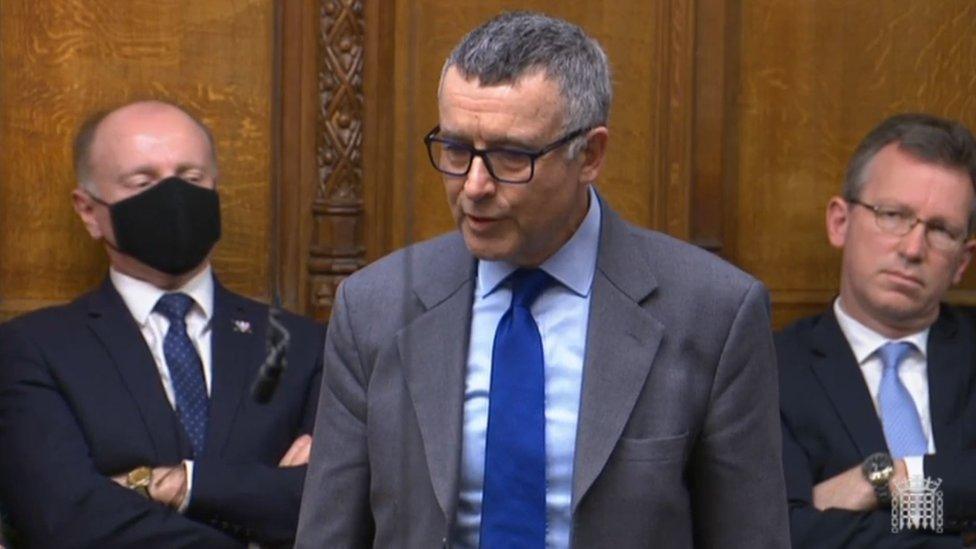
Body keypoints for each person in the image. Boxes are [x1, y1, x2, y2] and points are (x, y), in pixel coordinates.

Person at [296, 11, 788, 548]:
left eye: (511, 156)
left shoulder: (713, 312)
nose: (474, 186)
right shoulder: (373, 308)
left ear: (590, 154)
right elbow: (328, 535)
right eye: (457, 150)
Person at [0, 100, 325, 547]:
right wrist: (259, 506)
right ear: (89, 211)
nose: (174, 199)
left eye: (192, 178)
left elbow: (329, 503)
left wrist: (177, 484)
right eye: (142, 181)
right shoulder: (33, 350)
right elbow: (67, 519)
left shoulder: (303, 346)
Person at [777, 113, 976, 547]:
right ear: (839, 223)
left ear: (963, 261)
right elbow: (786, 534)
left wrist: (885, 482)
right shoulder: (772, 368)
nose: (912, 248)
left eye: (940, 230)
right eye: (892, 215)